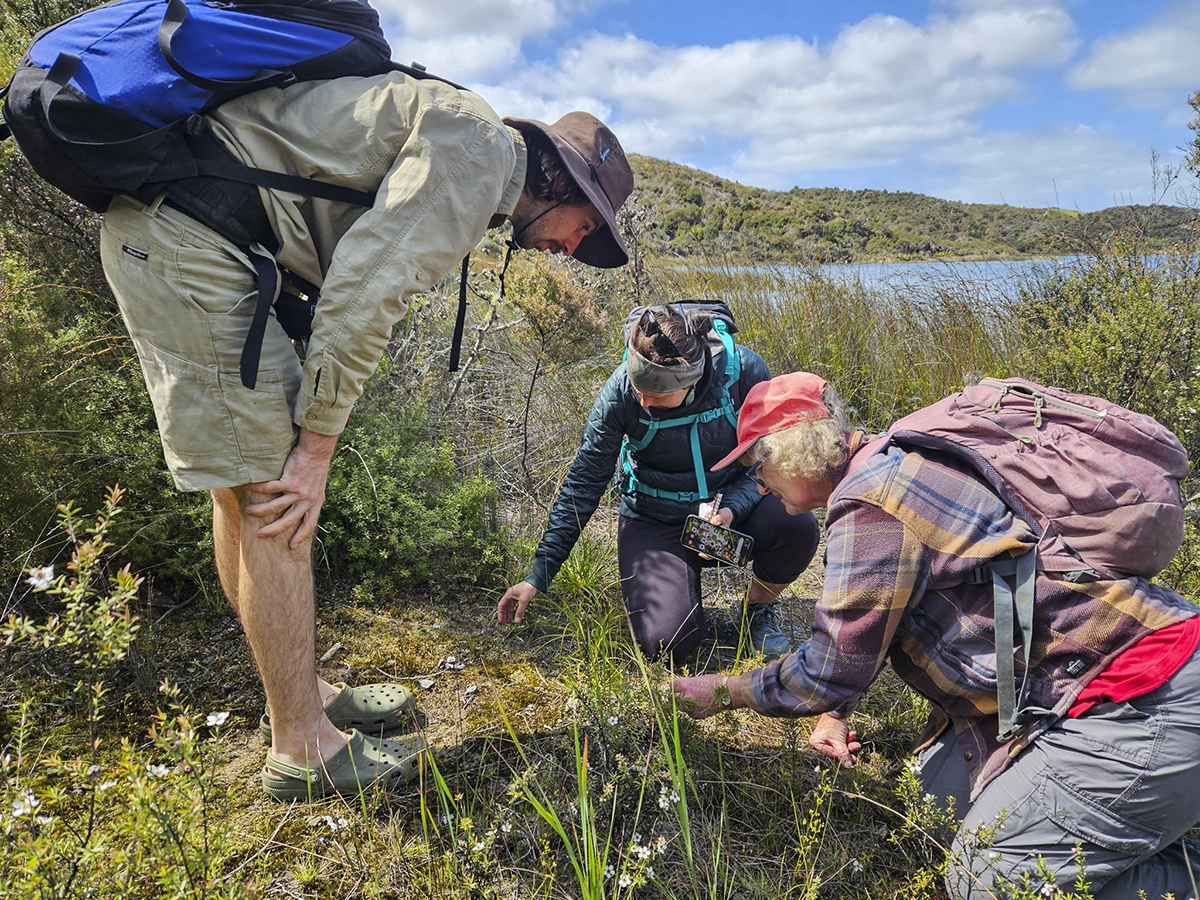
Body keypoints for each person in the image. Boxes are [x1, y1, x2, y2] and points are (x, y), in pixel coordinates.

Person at [98, 71, 634, 800]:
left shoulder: (469, 142)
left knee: (246, 491)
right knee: (278, 497)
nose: (573, 249)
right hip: (195, 244)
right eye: (587, 228)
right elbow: (362, 291)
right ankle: (305, 749)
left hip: (183, 235)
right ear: (561, 180)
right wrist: (316, 449)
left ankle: (304, 695)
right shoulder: (480, 153)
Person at [673, 372, 1200, 899]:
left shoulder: (869, 507)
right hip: (1120, 675)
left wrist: (721, 692)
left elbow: (827, 668)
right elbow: (877, 623)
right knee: (937, 795)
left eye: (759, 466)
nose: (759, 485)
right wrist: (835, 716)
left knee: (987, 879)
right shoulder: (897, 461)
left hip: (1138, 693)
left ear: (793, 453)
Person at [497, 305, 820, 661]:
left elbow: (763, 462)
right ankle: (679, 589)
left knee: (797, 526)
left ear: (692, 380)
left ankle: (755, 609)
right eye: (638, 389)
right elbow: (584, 481)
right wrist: (540, 573)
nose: (643, 401)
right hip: (655, 517)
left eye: (657, 396)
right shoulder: (620, 392)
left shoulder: (743, 374)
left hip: (728, 509)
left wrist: (730, 509)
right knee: (667, 644)